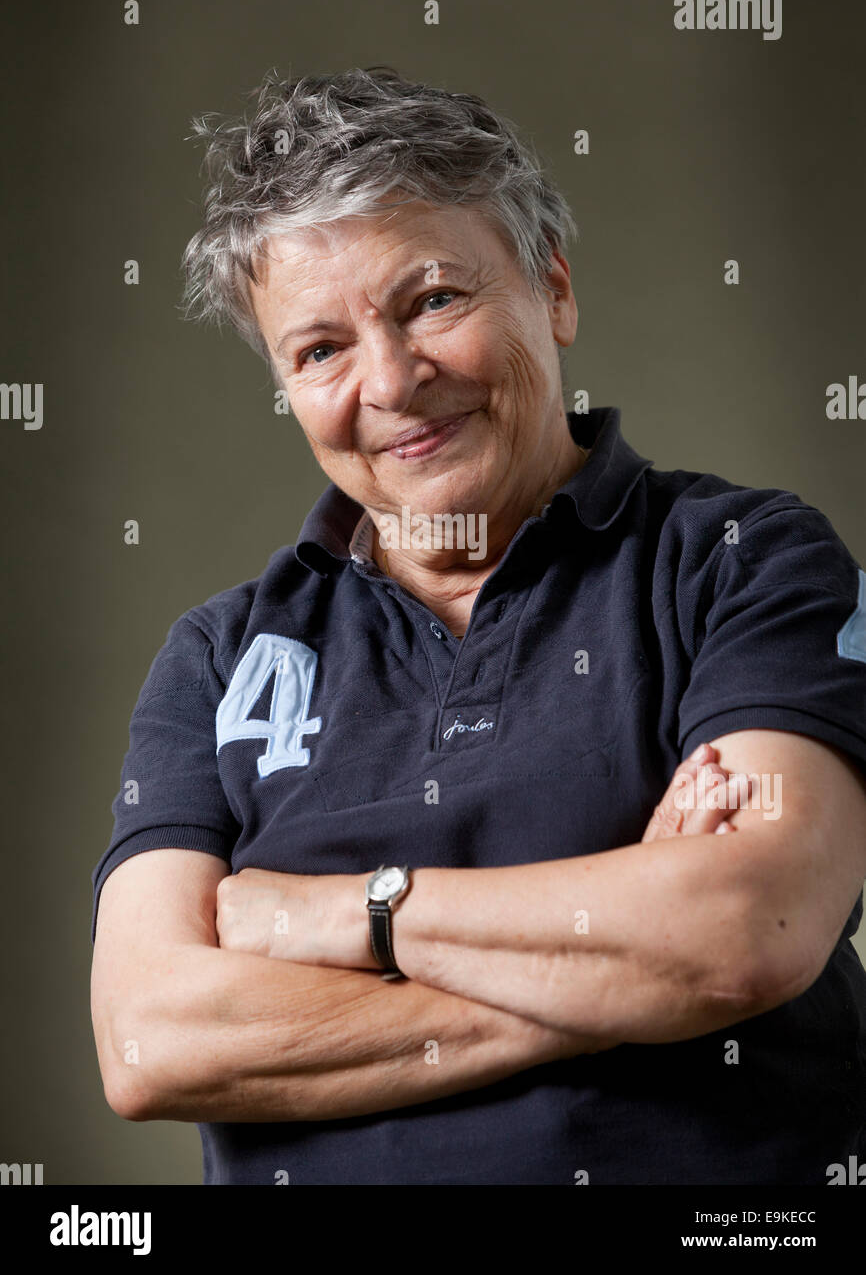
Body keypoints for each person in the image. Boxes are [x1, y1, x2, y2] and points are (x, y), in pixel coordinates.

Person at [90, 66, 866, 1185]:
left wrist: (339, 915)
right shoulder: (216, 660)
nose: (392, 382)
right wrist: (627, 972)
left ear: (551, 289)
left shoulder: (745, 563)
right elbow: (151, 1041)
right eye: (319, 351)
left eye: (433, 301)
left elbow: (751, 928)